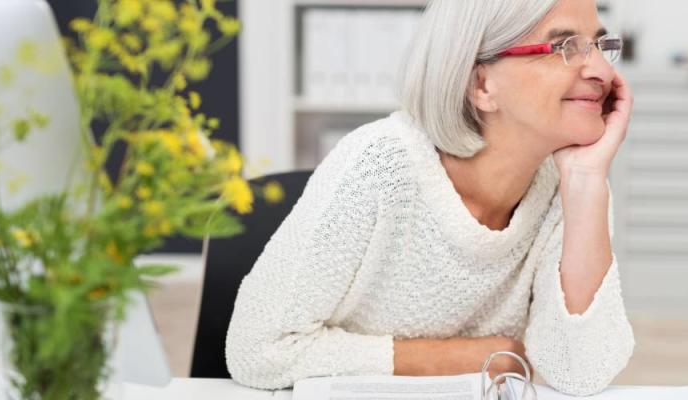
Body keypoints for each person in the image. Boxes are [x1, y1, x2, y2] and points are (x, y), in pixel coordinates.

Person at [226, 0, 635, 395]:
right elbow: (255, 350)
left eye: (599, 45)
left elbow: (579, 373)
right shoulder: (377, 165)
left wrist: (584, 183)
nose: (601, 70)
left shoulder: (575, 185)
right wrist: (462, 358)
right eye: (564, 47)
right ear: (481, 84)